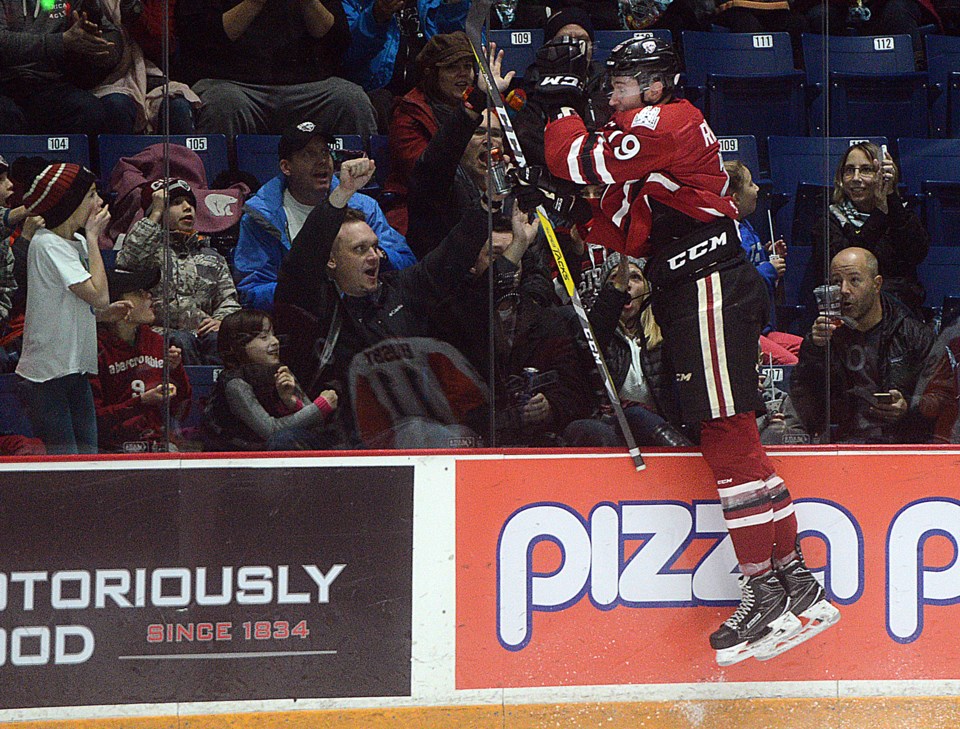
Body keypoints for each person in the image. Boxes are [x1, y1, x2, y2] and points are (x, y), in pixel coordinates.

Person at [536, 35, 839, 664]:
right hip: (695, 287)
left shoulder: (666, 119)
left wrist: (561, 112)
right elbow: (621, 224)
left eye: (620, 82)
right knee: (739, 440)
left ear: (653, 84)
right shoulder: (648, 149)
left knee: (727, 439)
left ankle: (763, 591)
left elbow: (580, 159)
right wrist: (564, 208)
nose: (611, 93)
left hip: (708, 284)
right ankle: (796, 582)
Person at [274, 155, 493, 447]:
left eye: (376, 247)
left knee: (419, 430)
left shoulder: (403, 289)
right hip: (350, 441)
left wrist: (487, 207)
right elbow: (299, 263)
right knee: (286, 441)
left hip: (419, 431)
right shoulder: (314, 306)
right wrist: (342, 194)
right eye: (360, 249)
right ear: (330, 262)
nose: (374, 256)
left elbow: (452, 254)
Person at [235, 120, 414, 312]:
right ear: (286, 167)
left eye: (325, 152)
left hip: (365, 311)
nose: (322, 161)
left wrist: (379, 256)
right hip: (298, 320)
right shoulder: (260, 217)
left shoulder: (363, 206)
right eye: (308, 154)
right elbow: (251, 291)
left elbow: (408, 263)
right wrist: (312, 292)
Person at [15, 163, 130, 454]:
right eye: (91, 194)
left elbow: (80, 302)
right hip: (49, 374)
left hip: (75, 367)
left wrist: (104, 315)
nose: (99, 202)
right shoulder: (47, 244)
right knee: (66, 463)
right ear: (70, 202)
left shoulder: (75, 242)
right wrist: (93, 237)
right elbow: (98, 295)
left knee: (87, 459)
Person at [791, 247, 935, 444]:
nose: (843, 290)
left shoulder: (914, 335)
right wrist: (814, 349)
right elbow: (806, 405)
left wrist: (908, 407)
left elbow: (941, 399)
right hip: (843, 442)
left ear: (877, 284)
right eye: (836, 282)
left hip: (900, 442)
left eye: (854, 280)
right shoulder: (826, 335)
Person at [174, 0, 377, 138]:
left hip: (309, 86)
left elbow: (337, 40)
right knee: (223, 103)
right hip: (233, 83)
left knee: (351, 100)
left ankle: (359, 192)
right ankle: (217, 192)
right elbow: (200, 38)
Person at [566, 252, 693, 446]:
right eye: (615, 278)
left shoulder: (665, 331)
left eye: (635, 277)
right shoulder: (592, 329)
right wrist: (616, 293)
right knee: (634, 415)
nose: (627, 284)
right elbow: (588, 345)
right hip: (611, 427)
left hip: (659, 427)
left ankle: (686, 459)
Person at [117, 179, 241, 365]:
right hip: (157, 333)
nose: (187, 207)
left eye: (190, 203)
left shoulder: (211, 257)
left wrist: (222, 321)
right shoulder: (148, 252)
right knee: (182, 341)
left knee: (220, 340)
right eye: (175, 203)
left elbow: (228, 300)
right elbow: (128, 260)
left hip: (202, 332)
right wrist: (156, 212)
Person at [809, 142, 929, 321]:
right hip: (848, 314)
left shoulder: (900, 214)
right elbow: (847, 262)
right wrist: (880, 213)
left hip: (899, 316)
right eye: (849, 170)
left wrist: (890, 199)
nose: (856, 178)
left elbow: (917, 253)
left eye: (866, 170)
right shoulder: (830, 220)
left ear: (882, 175)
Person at [384, 31, 486, 234]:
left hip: (476, 201)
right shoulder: (410, 114)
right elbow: (425, 178)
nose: (463, 74)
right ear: (431, 73)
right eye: (452, 67)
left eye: (467, 66)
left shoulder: (484, 106)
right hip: (420, 211)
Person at [202, 309, 339, 451]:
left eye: (273, 335)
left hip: (274, 451)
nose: (275, 342)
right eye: (263, 337)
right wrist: (321, 406)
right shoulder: (235, 383)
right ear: (237, 346)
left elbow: (313, 422)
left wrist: (291, 402)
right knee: (283, 439)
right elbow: (270, 430)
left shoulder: (281, 371)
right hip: (240, 455)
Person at [91, 267, 193, 452]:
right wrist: (140, 402)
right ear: (118, 303)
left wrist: (175, 371)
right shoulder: (96, 348)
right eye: (139, 292)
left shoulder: (156, 341)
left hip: (157, 444)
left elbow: (181, 410)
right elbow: (93, 419)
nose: (149, 296)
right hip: (111, 449)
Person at [0, 0, 139, 134]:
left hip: (47, 84)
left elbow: (107, 34)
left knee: (89, 111)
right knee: (8, 116)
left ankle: (63, 159)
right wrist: (61, 42)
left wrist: (98, 47)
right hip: (5, 83)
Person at [725, 160, 803, 366]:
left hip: (764, 330)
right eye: (751, 184)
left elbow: (749, 265)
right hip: (743, 336)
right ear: (735, 199)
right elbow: (733, 286)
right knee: (792, 365)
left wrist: (768, 256)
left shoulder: (745, 225)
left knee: (813, 353)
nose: (757, 188)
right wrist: (768, 270)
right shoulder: (726, 236)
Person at [342, 0, 470, 93]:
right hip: (375, 93)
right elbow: (347, 58)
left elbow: (462, 50)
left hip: (435, 97)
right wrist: (376, 16)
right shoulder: (353, 3)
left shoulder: (436, 3)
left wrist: (455, 7)